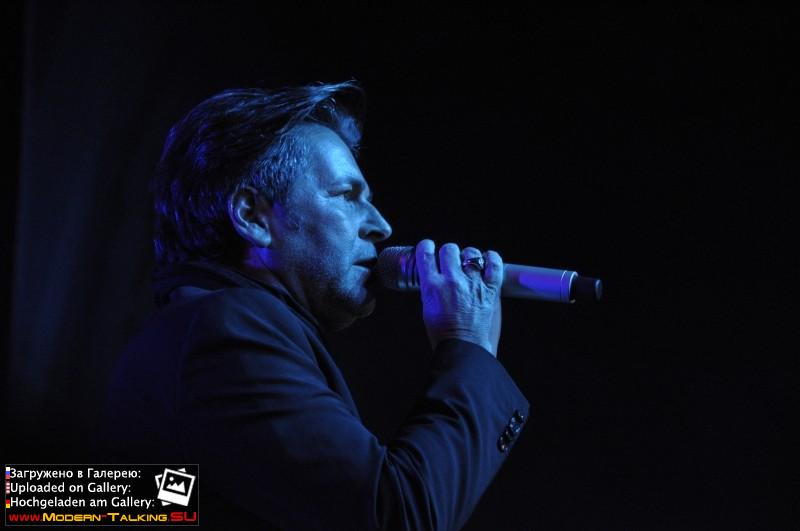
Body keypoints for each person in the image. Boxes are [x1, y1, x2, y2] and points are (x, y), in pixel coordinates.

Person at [102, 81, 529, 530]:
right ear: (252, 216)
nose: (382, 226)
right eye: (346, 195)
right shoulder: (225, 327)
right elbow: (395, 517)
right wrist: (468, 343)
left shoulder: (206, 328)